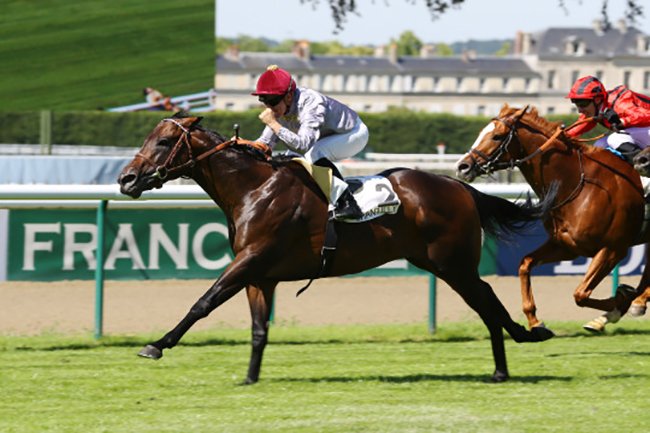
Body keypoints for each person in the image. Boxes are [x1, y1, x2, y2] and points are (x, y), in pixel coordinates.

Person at [244, 65, 369, 219]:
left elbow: (303, 146)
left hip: (353, 133)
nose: (269, 107)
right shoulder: (280, 108)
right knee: (289, 159)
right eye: (264, 100)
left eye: (272, 101)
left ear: (289, 96)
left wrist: (274, 124)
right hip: (324, 138)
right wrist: (242, 146)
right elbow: (265, 144)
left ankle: (348, 203)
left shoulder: (311, 103)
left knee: (314, 153)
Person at [565, 75, 650, 164]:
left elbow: (647, 115)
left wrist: (623, 121)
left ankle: (644, 166)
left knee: (615, 139)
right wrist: (559, 135)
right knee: (599, 146)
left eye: (583, 104)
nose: (579, 110)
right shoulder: (595, 109)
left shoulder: (621, 103)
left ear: (597, 100)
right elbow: (576, 128)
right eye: (576, 103)